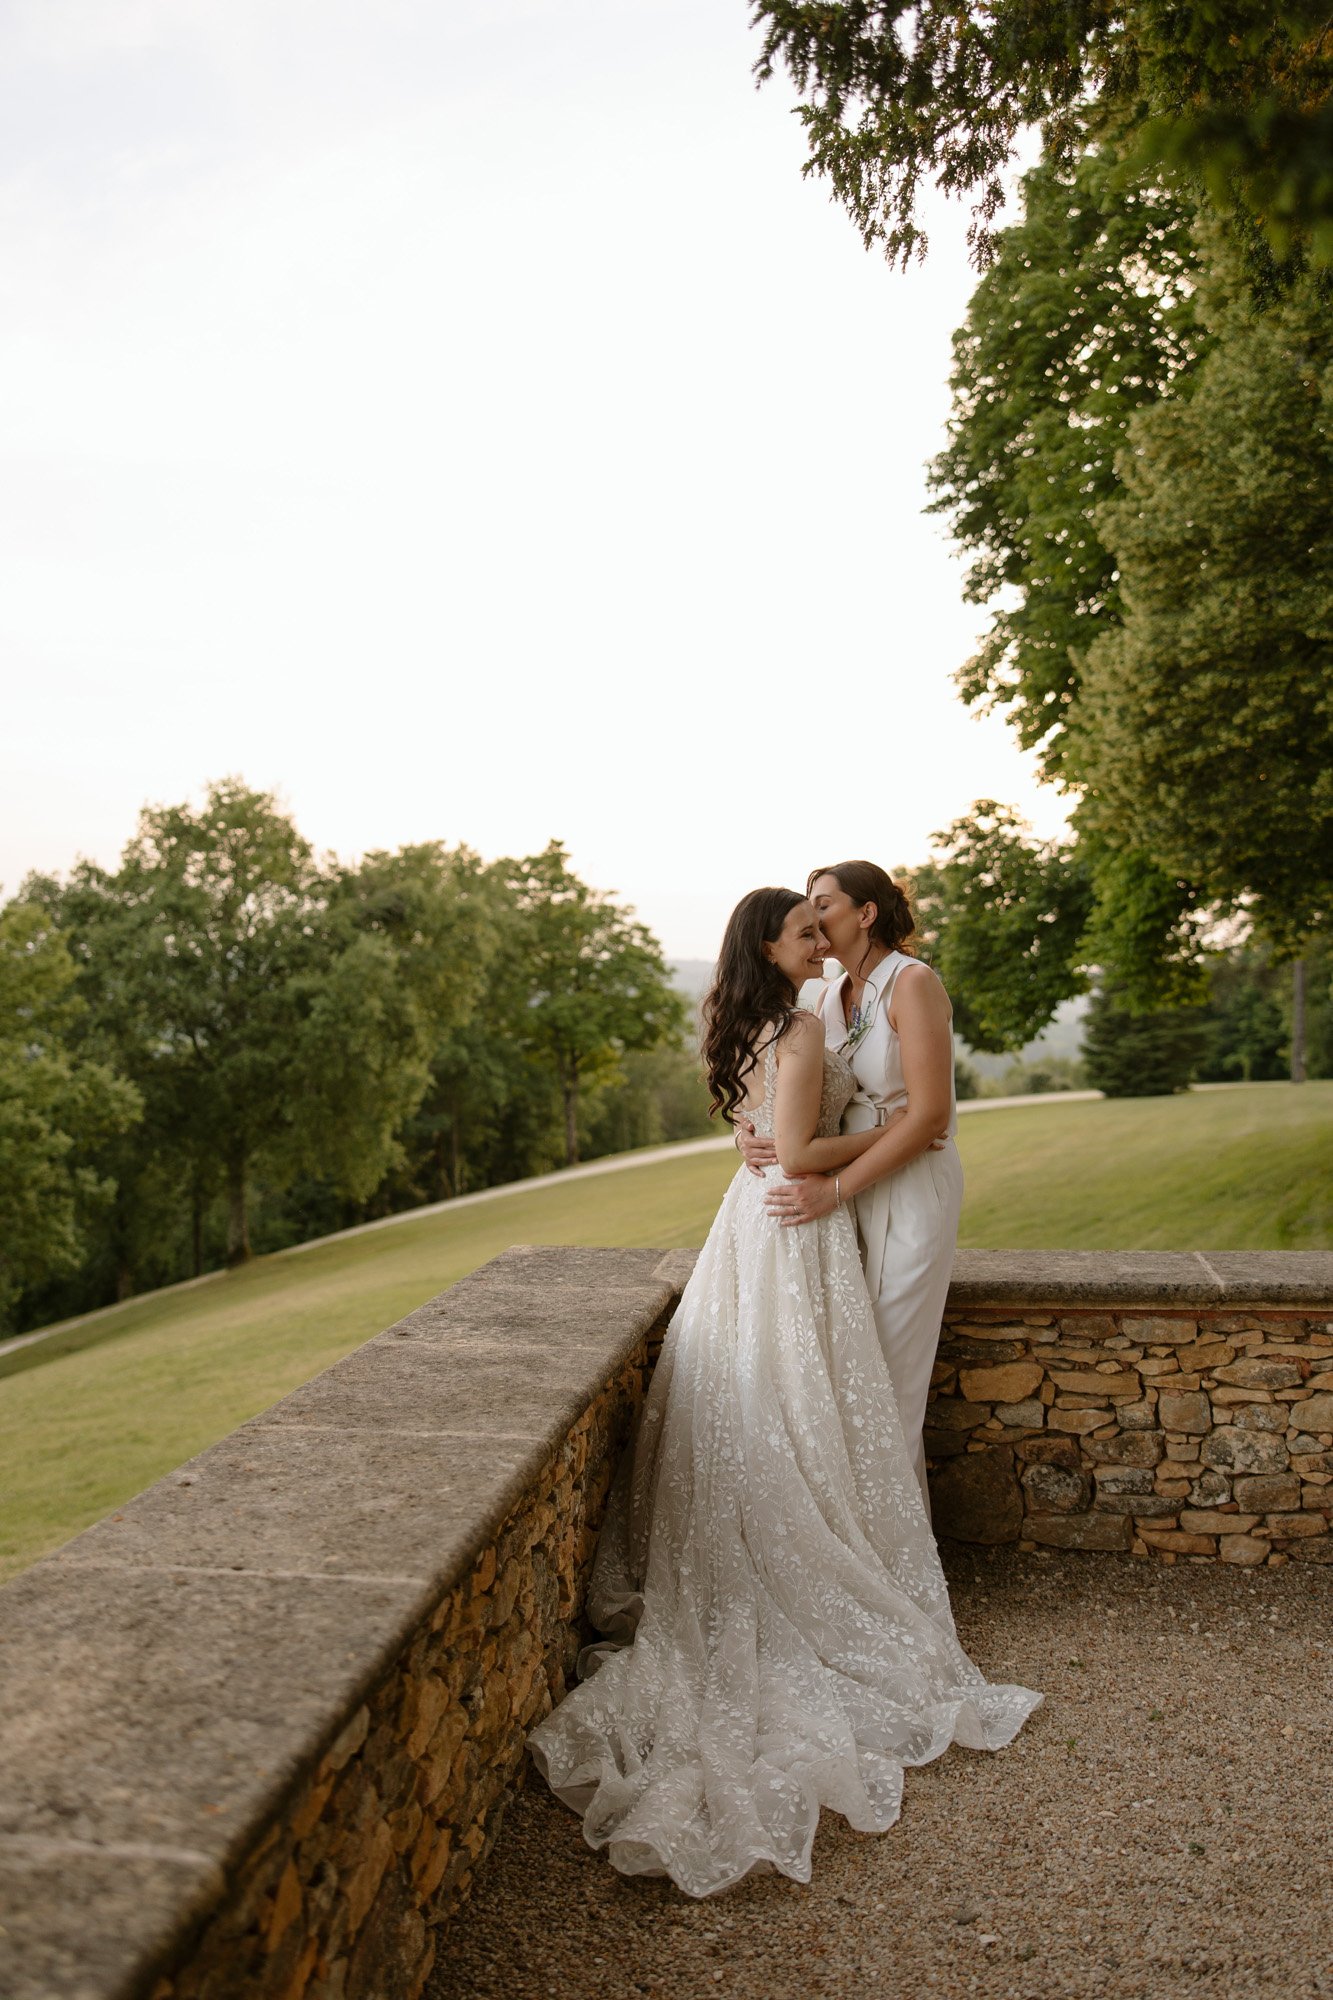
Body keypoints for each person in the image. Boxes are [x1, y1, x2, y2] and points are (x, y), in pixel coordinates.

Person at [528, 887, 1040, 1899]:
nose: (821, 937)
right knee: (811, 1396)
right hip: (793, 1221)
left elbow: (763, 1133)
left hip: (754, 1221)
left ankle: (820, 1534)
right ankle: (837, 1552)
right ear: (770, 944)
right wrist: (883, 1133)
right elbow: (799, 1150)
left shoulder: (765, 1021)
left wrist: (794, 1142)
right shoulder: (804, 1022)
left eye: (827, 920)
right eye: (804, 928)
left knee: (791, 1393)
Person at [736, 862, 961, 1503]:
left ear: (866, 914)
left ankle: (898, 1549)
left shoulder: (911, 984)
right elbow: (784, 1084)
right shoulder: (822, 995)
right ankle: (855, 1535)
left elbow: (931, 1117)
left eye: (826, 906)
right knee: (849, 1369)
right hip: (840, 1188)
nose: (816, 921)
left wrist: (830, 1190)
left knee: (890, 1376)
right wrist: (748, 1134)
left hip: (909, 1183)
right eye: (808, 911)